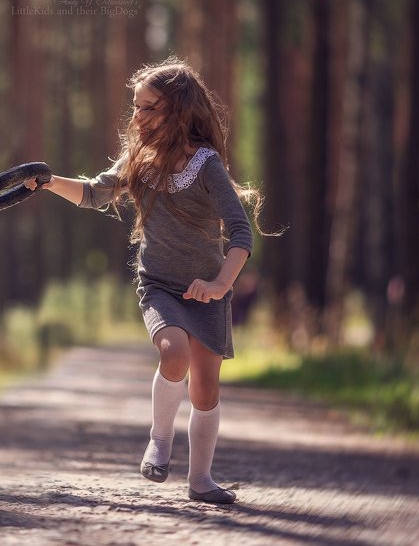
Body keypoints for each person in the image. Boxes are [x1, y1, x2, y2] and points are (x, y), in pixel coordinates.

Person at [25, 58, 264, 504]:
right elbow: (96, 192)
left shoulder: (206, 166)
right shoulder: (141, 159)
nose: (137, 117)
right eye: (136, 107)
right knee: (173, 352)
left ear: (179, 111)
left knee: (206, 390)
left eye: (148, 108)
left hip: (207, 291)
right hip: (159, 285)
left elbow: (240, 232)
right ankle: (159, 442)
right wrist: (48, 181)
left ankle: (201, 481)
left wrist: (219, 285)